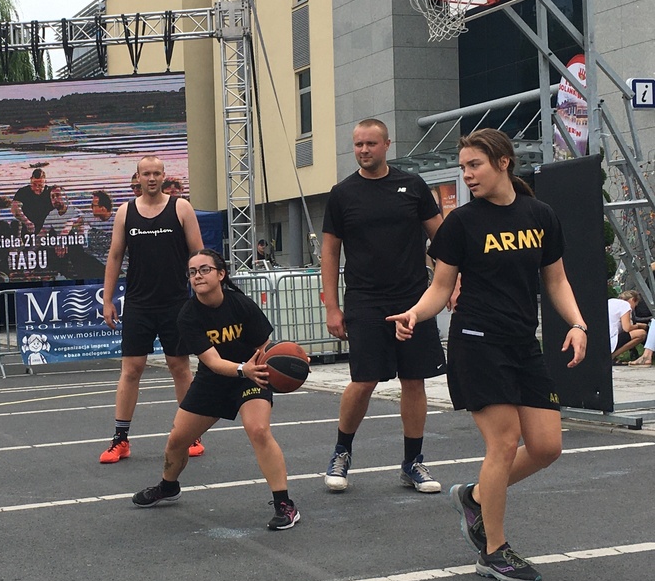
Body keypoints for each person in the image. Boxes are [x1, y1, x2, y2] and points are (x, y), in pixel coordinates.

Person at [388, 127, 587, 581]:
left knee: (546, 448)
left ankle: (475, 497)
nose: (467, 175)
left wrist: (577, 325)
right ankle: (494, 550)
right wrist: (415, 314)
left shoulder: (540, 215)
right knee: (503, 442)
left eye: (473, 165)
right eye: (462, 168)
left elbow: (556, 280)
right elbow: (440, 287)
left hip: (522, 343)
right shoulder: (462, 223)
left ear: (503, 162)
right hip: (476, 341)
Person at [320, 118, 446, 494]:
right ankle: (341, 453)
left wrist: (452, 282)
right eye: (358, 144)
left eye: (371, 144)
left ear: (387, 144)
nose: (363, 150)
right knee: (363, 380)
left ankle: (413, 462)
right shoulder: (342, 194)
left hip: (413, 299)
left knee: (414, 379)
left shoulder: (413, 186)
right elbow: (329, 252)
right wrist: (331, 306)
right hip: (365, 301)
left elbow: (441, 238)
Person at [132, 249, 300, 530]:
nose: (197, 276)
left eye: (204, 270)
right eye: (192, 272)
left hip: (251, 378)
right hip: (214, 380)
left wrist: (261, 366)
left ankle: (285, 504)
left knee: (258, 430)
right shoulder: (187, 315)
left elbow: (264, 344)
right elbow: (211, 361)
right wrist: (241, 368)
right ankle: (168, 486)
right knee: (177, 440)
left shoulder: (240, 304)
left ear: (221, 274)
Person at [101, 155, 205, 463]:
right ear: (137, 178)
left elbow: (198, 254)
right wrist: (107, 300)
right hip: (138, 304)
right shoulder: (125, 212)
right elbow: (115, 257)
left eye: (156, 173)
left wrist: (202, 295)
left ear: (164, 177)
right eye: (146, 173)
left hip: (175, 303)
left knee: (180, 368)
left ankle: (190, 433)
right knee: (131, 370)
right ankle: (120, 439)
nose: (151, 178)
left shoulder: (181, 207)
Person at [41, 186, 104, 279]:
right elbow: (41, 233)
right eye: (52, 197)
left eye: (58, 195)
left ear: (65, 197)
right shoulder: (52, 214)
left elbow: (74, 229)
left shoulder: (75, 212)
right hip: (62, 250)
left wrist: (62, 241)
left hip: (82, 250)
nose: (55, 199)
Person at [11, 167, 53, 236]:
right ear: (31, 180)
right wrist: (26, 222)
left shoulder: (51, 192)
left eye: (40, 185)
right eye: (34, 184)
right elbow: (15, 209)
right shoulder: (23, 192)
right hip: (28, 228)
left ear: (45, 182)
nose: (36, 188)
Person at [608, 290, 646, 360]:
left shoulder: (611, 301)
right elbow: (627, 328)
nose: (633, 309)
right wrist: (638, 326)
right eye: (635, 305)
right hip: (611, 340)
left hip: (603, 339)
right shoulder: (625, 305)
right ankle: (611, 356)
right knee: (641, 333)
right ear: (632, 300)